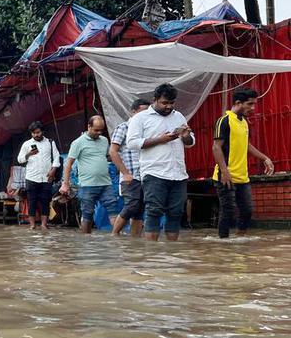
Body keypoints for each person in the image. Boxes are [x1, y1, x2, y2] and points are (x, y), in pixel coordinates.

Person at [126, 83, 195, 241]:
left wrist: (185, 136)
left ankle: (171, 253)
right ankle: (153, 255)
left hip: (178, 174)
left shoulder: (178, 116)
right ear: (155, 100)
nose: (169, 106)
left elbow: (191, 142)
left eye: (172, 103)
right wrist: (159, 140)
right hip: (154, 173)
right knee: (154, 211)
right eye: (165, 103)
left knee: (176, 213)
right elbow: (132, 143)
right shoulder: (140, 118)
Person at [212, 87, 275, 238]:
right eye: (250, 104)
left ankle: (240, 239)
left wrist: (265, 158)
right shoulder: (224, 121)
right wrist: (225, 172)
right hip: (225, 176)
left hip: (243, 176)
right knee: (228, 211)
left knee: (247, 211)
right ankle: (223, 243)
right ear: (238, 103)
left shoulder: (244, 122)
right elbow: (216, 147)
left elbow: (246, 144)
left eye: (254, 104)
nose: (253, 108)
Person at [61, 115, 117, 234]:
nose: (99, 133)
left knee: (113, 209)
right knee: (87, 213)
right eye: (96, 130)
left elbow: (107, 157)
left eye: (101, 130)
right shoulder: (78, 142)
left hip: (106, 183)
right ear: (89, 127)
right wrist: (65, 184)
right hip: (87, 185)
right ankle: (86, 241)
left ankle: (118, 239)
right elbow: (69, 164)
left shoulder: (104, 140)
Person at [109, 99, 151, 237]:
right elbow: (112, 151)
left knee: (140, 210)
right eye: (142, 111)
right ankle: (114, 235)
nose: (146, 115)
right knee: (131, 206)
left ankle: (135, 242)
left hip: (145, 175)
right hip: (130, 176)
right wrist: (125, 173)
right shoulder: (123, 128)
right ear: (133, 111)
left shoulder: (147, 130)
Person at [16, 121, 61, 230]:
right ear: (31, 134)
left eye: (38, 132)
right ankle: (32, 225)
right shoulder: (27, 144)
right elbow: (20, 159)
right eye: (34, 133)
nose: (36, 135)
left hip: (47, 177)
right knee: (32, 201)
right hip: (31, 177)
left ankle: (44, 224)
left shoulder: (50, 142)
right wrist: (29, 154)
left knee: (45, 201)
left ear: (42, 131)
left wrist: (53, 170)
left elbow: (56, 157)